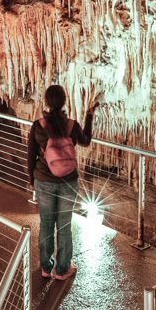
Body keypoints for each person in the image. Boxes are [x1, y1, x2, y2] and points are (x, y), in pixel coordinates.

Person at [27, 84, 96, 280]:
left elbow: (31, 155)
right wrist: (89, 115)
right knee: (64, 225)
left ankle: (46, 268)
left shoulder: (38, 126)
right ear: (64, 101)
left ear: (47, 103)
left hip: (44, 181)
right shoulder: (72, 125)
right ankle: (63, 269)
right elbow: (86, 140)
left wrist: (32, 179)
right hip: (68, 181)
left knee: (46, 223)